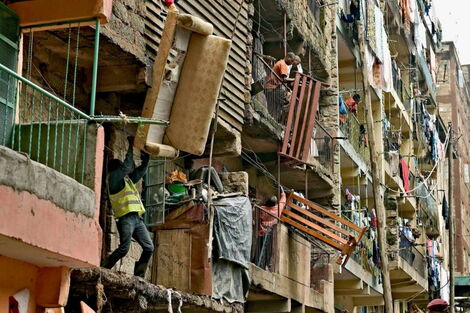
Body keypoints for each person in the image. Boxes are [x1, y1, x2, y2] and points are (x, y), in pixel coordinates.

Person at [103, 136, 154, 277]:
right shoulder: (113, 179)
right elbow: (128, 166)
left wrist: (147, 158)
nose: (124, 170)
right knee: (124, 249)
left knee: (149, 248)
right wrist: (131, 146)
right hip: (125, 219)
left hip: (137, 219)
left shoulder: (127, 181)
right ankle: (104, 268)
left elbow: (140, 171)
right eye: (121, 167)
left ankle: (139, 275)